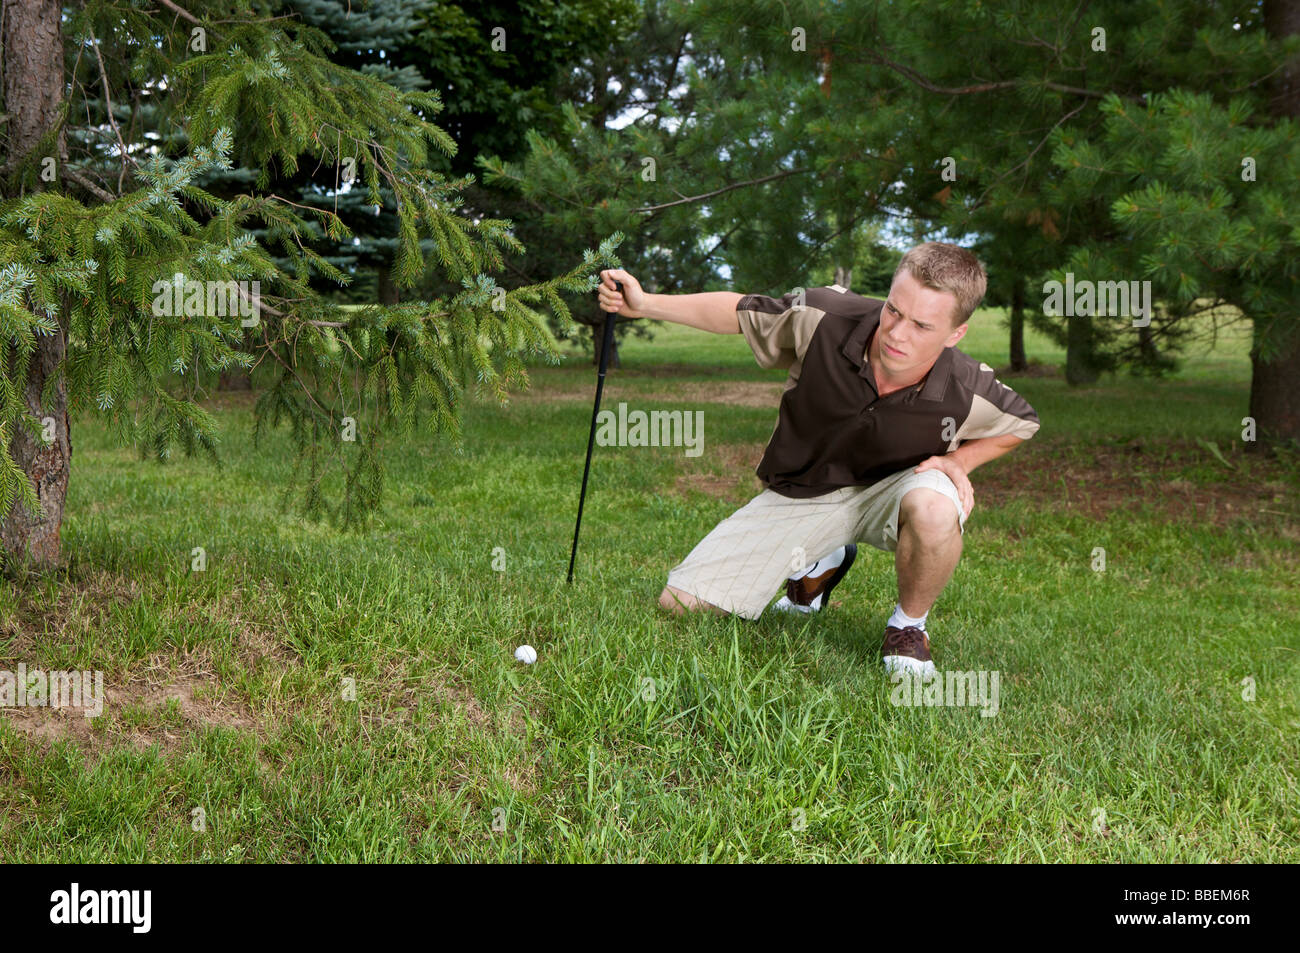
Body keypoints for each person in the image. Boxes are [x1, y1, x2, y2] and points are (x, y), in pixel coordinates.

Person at [597, 242, 1040, 676]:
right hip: (807, 489)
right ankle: (823, 558)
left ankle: (908, 627)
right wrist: (644, 304)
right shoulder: (825, 317)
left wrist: (960, 462)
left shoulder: (968, 387)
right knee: (680, 605)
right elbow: (739, 311)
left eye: (922, 326)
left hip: (900, 489)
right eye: (893, 311)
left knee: (937, 505)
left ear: (955, 333)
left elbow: (1022, 422)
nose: (897, 333)